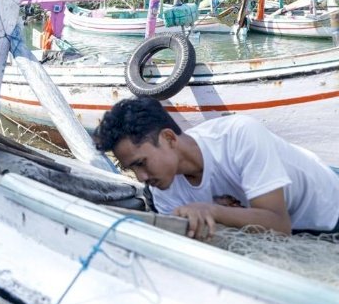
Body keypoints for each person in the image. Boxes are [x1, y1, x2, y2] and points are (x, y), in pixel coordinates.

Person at [95, 96, 339, 240]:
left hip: (330, 208)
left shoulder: (239, 135)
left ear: (169, 138)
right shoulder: (163, 189)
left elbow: (278, 225)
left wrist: (212, 210)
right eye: (132, 168)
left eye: (141, 163)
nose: (141, 177)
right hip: (297, 228)